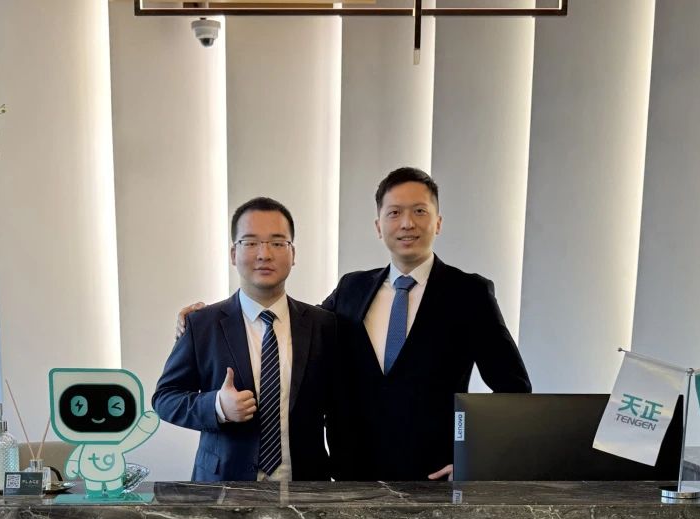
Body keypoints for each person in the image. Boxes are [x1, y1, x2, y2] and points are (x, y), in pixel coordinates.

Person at [178, 168, 531, 481]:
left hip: (433, 478)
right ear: (379, 227)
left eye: (419, 211)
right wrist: (204, 320)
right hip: (353, 477)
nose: (407, 223)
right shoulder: (352, 288)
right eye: (394, 213)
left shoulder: (469, 294)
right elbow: (292, 325)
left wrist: (473, 460)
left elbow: (514, 390)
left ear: (438, 222)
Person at [153, 198, 339, 482]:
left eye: (277, 243)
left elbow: (344, 408)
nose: (264, 254)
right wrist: (217, 406)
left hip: (306, 486)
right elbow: (165, 398)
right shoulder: (202, 324)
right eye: (250, 242)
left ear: (293, 253)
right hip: (223, 486)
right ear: (233, 253)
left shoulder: (322, 324)